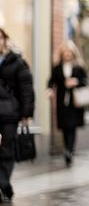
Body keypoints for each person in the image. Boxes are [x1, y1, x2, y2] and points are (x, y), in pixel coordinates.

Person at [0, 27, 34, 202]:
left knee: (6, 150)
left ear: (5, 40)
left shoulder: (16, 61)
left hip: (9, 114)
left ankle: (3, 184)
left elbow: (26, 89)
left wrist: (25, 114)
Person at [47, 40, 88, 166]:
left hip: (75, 102)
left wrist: (76, 82)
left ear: (73, 53)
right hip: (62, 101)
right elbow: (51, 81)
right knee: (65, 127)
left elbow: (86, 81)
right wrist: (49, 90)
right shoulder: (57, 67)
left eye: (69, 52)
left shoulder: (78, 66)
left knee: (72, 127)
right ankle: (67, 149)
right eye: (65, 52)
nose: (67, 54)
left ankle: (70, 150)